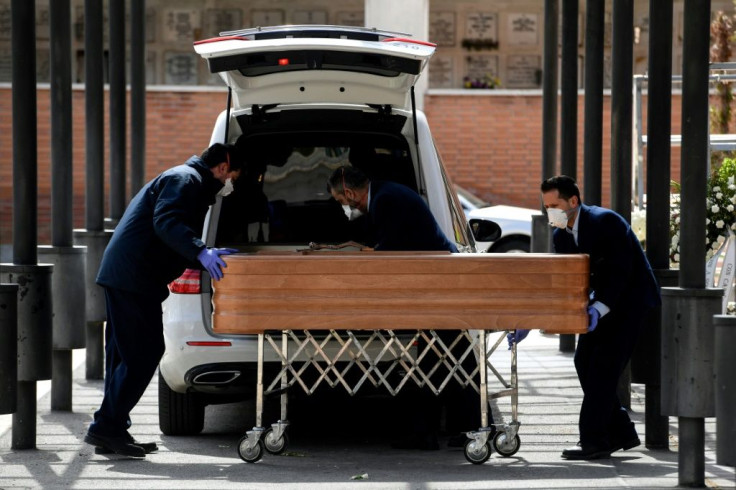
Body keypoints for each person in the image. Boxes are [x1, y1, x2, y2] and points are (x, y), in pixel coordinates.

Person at [84, 143, 244, 458]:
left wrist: (200, 256)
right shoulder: (186, 179)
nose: (231, 184)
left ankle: (110, 428)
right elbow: (167, 222)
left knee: (122, 356)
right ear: (224, 165)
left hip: (127, 276)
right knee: (143, 352)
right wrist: (200, 250)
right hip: (133, 278)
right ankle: (106, 426)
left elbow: (167, 231)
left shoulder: (186, 179)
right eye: (234, 176)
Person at [327, 165, 489, 450]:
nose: (344, 207)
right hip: (434, 284)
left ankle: (466, 428)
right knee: (436, 358)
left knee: (454, 357)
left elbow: (392, 251)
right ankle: (440, 430)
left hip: (437, 286)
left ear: (350, 193)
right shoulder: (386, 193)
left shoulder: (385, 200)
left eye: (341, 201)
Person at [530, 175, 661, 460]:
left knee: (602, 368)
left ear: (573, 201)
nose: (549, 211)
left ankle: (594, 439)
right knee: (584, 362)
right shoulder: (561, 234)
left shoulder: (605, 222)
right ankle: (622, 432)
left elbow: (621, 272)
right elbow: (568, 279)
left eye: (554, 204)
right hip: (600, 308)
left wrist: (598, 307)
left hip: (629, 304)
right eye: (546, 206)